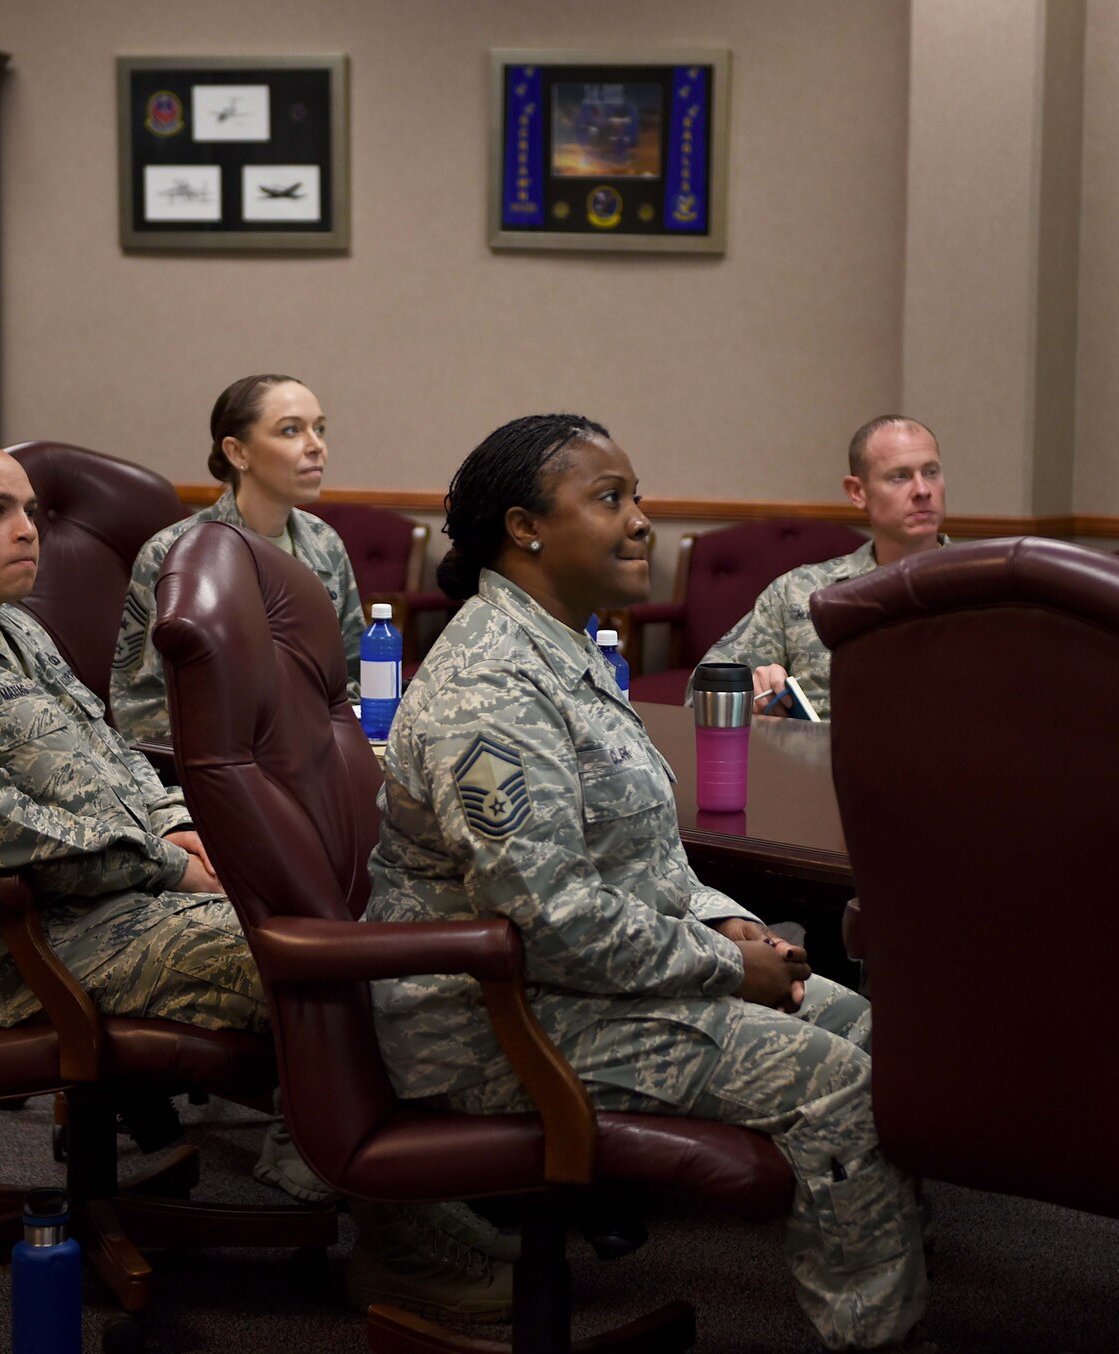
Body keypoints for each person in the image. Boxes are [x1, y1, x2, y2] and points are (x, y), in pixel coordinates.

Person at [0, 441, 513, 1320]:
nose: (27, 531)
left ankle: (399, 1192)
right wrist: (170, 864)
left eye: (30, 510)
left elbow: (116, 759)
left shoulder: (8, 628)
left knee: (364, 930)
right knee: (322, 964)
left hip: (122, 902)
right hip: (31, 942)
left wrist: (185, 827)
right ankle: (401, 1244)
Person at [365, 414, 932, 1352]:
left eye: (640, 497)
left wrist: (737, 928)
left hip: (575, 986)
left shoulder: (569, 648)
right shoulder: (492, 687)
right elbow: (550, 921)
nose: (643, 523)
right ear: (525, 528)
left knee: (872, 1030)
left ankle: (880, 1286)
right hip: (498, 1019)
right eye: (611, 498)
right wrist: (720, 966)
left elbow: (645, 862)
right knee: (835, 1083)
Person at [111, 373, 364, 739]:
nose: (316, 447)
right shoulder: (174, 553)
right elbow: (141, 707)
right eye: (291, 431)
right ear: (238, 452)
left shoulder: (325, 543)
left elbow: (351, 677)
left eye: (320, 430)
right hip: (220, 764)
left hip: (318, 754)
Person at [691, 415, 950, 716]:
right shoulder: (800, 592)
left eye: (931, 472)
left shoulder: (987, 583)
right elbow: (700, 694)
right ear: (857, 492)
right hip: (818, 759)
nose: (922, 490)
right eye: (900, 476)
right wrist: (750, 690)